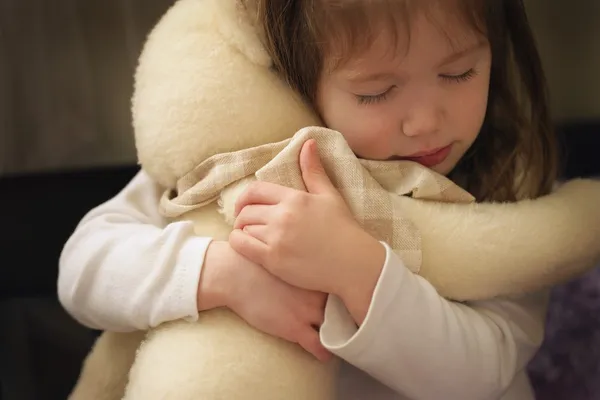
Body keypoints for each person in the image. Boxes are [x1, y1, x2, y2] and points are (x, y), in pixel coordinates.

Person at [58, 0, 559, 398]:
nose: (425, 122)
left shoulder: (510, 176)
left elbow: (484, 371)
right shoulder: (239, 159)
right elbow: (82, 270)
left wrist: (357, 271)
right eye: (376, 92)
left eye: (458, 74)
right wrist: (222, 273)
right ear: (296, 77)